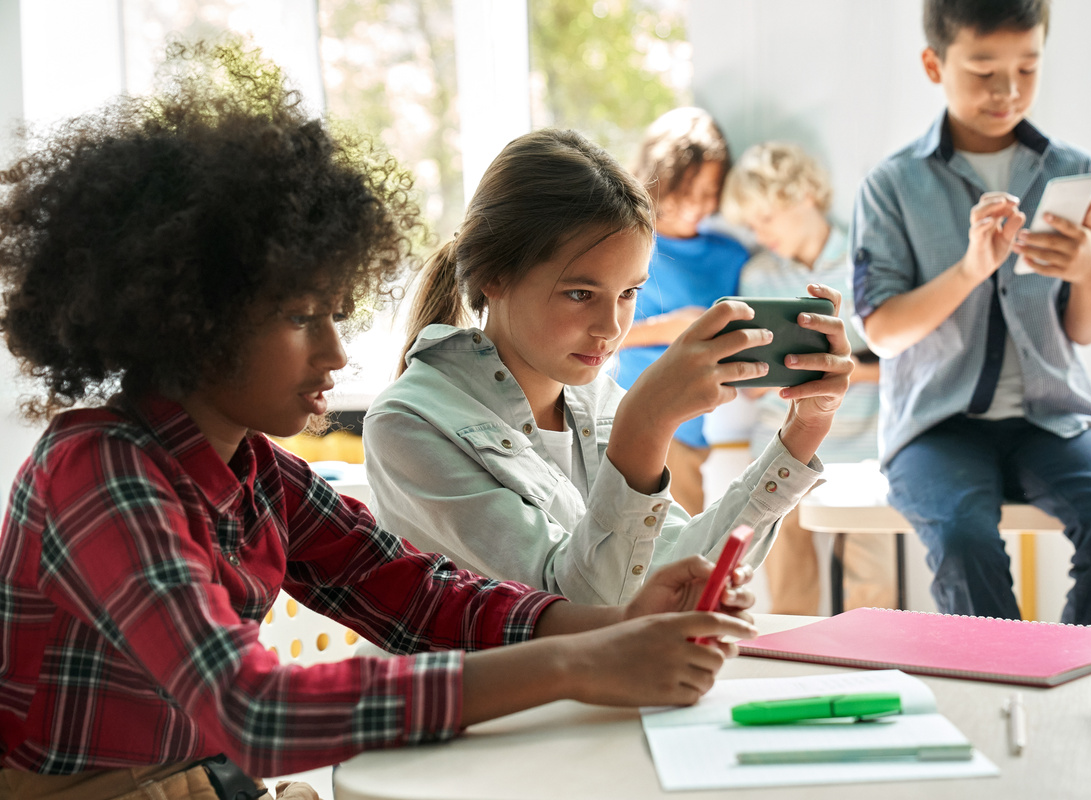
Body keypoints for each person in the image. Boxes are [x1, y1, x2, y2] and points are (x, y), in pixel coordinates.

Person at [0, 41, 763, 800]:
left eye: (335, 313)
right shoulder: (97, 469)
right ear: (192, 319)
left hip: (203, 781)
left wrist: (612, 623)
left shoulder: (261, 474)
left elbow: (424, 597)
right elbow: (255, 708)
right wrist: (579, 660)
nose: (335, 352)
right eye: (302, 317)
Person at [363, 128, 854, 606]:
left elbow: (679, 572)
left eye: (628, 293)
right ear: (494, 274)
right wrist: (646, 423)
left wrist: (804, 430)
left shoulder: (596, 401)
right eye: (581, 293)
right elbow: (584, 612)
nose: (610, 328)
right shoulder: (409, 426)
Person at [851, 0, 1091, 626]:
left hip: (1053, 416)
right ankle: (999, 691)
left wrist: (1085, 272)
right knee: (965, 545)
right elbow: (880, 333)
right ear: (934, 65)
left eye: (1028, 67)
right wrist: (970, 270)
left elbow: (1086, 329)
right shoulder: (893, 184)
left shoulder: (1071, 171)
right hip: (937, 425)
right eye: (984, 70)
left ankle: (1068, 682)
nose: (1009, 90)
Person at [722, 141, 896, 615]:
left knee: (873, 587)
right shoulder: (758, 275)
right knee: (787, 582)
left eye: (766, 218)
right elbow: (753, 377)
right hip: (778, 445)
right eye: (751, 223)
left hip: (862, 450)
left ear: (804, 197)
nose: (759, 232)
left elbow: (901, 360)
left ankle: (869, 675)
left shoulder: (868, 262)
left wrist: (840, 372)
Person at [612, 107, 750, 515]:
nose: (697, 205)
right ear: (659, 177)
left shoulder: (731, 256)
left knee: (678, 553)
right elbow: (595, 334)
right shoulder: (627, 242)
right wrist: (672, 328)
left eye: (709, 192)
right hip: (627, 415)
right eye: (687, 191)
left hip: (692, 427)